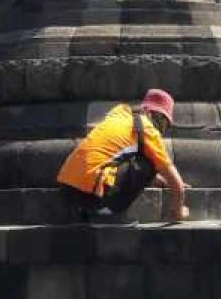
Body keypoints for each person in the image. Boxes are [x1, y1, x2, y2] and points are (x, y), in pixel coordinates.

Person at [57, 88, 188, 222]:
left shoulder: (120, 116)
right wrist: (179, 212)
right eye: (163, 122)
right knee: (149, 162)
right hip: (91, 194)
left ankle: (90, 208)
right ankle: (105, 211)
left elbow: (113, 158)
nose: (162, 129)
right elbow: (178, 186)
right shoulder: (148, 129)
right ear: (150, 113)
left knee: (140, 156)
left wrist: (160, 181)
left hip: (67, 188)